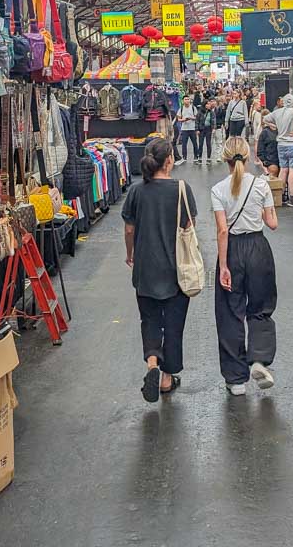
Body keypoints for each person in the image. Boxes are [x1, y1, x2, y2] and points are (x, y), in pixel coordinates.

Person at [122, 138, 199, 403]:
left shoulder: (136, 191)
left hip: (146, 267)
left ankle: (152, 364)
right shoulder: (181, 189)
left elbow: (129, 229)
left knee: (150, 318)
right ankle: (167, 379)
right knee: (174, 324)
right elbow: (190, 226)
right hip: (177, 268)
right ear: (169, 161)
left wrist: (130, 255)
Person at [211, 136, 279, 396]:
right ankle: (260, 359)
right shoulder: (261, 185)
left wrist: (224, 265)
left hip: (233, 250)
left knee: (230, 313)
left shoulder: (218, 190)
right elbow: (272, 223)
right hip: (258, 249)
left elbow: (222, 230)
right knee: (261, 307)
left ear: (225, 159)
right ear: (248, 157)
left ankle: (236, 379)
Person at [265, 94, 293, 206]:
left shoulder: (277, 112)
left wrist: (272, 125)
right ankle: (292, 197)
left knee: (283, 169)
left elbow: (265, 118)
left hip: (281, 144)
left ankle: (280, 195)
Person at [177, 95, 199, 164]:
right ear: (183, 101)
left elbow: (197, 117)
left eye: (188, 99)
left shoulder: (193, 108)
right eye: (185, 99)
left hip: (192, 128)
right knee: (184, 144)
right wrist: (183, 119)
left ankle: (196, 156)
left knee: (195, 143)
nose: (187, 100)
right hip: (184, 129)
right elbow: (178, 119)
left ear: (190, 100)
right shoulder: (181, 108)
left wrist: (191, 118)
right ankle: (184, 157)